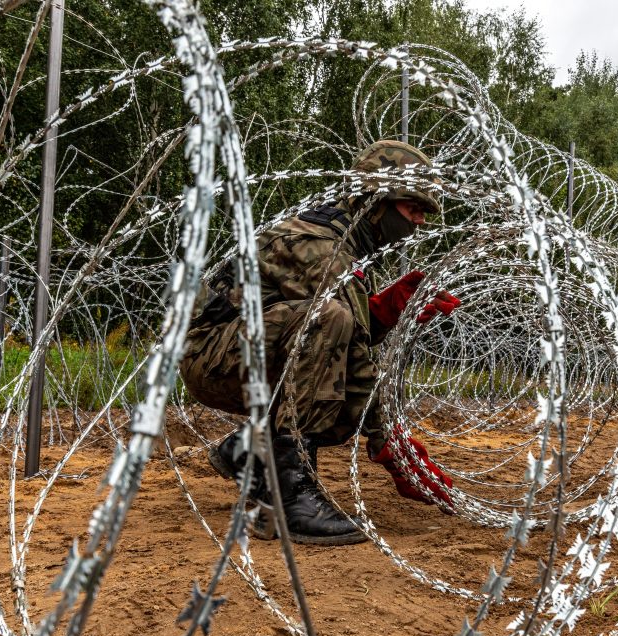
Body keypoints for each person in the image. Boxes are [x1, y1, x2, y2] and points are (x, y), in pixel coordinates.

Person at [179, 140, 460, 546]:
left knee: (338, 378)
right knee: (332, 325)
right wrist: (394, 447)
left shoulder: (347, 242)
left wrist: (384, 310)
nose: (418, 221)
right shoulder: (323, 247)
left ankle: (249, 452)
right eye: (412, 207)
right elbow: (346, 345)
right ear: (376, 201)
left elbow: (342, 344)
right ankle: (289, 495)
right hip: (210, 359)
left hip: (239, 350)